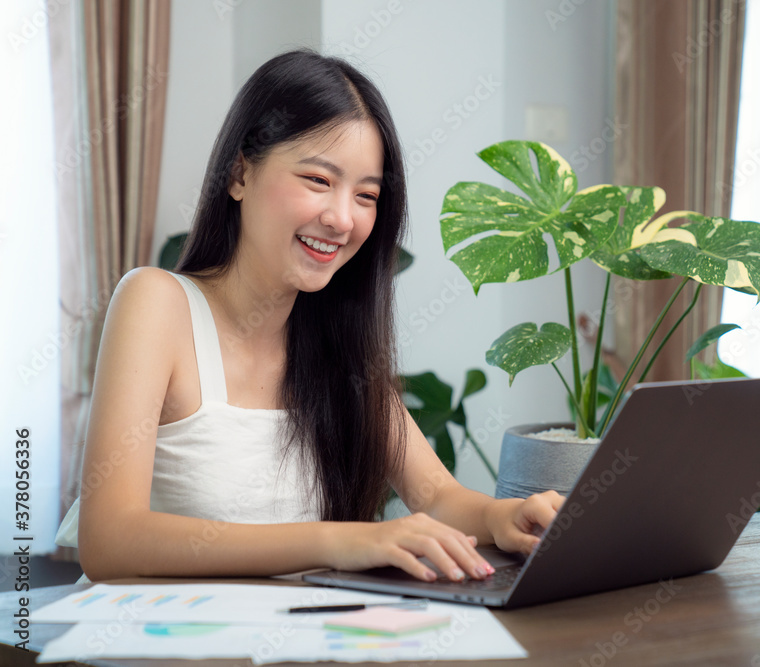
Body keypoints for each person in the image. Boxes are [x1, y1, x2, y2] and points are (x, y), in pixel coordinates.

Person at [55, 49, 562, 583]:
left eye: (366, 195)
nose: (342, 218)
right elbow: (111, 542)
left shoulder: (338, 346)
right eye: (319, 181)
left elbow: (439, 498)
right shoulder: (156, 303)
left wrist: (504, 516)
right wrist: (345, 539)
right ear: (239, 174)